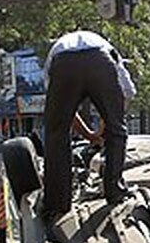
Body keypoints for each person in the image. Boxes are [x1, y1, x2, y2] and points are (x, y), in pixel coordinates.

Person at [42, 29, 135, 220]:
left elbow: (64, 119)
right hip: (99, 62)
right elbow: (127, 93)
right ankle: (115, 192)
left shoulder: (55, 54)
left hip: (64, 64)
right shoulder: (108, 49)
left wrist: (91, 135)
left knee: (56, 134)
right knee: (118, 130)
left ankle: (57, 202)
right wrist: (106, 124)